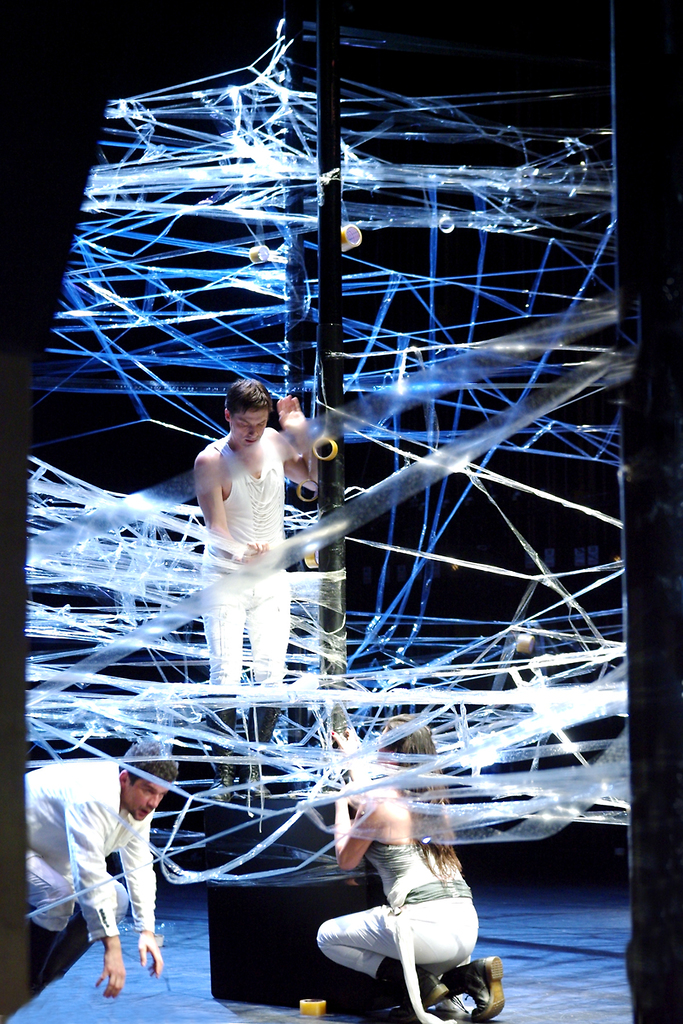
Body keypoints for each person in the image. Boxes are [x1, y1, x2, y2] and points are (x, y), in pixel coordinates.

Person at [317, 715, 505, 1024]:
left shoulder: (380, 805)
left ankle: (419, 984)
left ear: (394, 754)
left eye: (380, 743)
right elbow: (377, 800)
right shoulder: (436, 804)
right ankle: (467, 975)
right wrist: (354, 762)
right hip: (466, 930)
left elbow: (346, 859)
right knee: (421, 948)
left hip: (424, 930)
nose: (374, 748)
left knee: (327, 936)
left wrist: (340, 802)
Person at [194, 378, 316, 794]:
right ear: (228, 416)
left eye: (261, 424)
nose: (252, 432)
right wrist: (246, 552)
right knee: (225, 673)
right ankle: (225, 774)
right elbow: (216, 531)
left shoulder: (275, 443)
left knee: (271, 674)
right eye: (245, 423)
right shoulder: (211, 460)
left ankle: (255, 771)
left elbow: (315, 482)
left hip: (270, 578)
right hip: (225, 579)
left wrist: (299, 430)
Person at [26, 739, 179, 998]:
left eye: (162, 795)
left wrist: (147, 930)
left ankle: (40, 982)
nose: (154, 802)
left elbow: (140, 865)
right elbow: (89, 872)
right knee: (58, 896)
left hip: (50, 850)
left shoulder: (141, 806)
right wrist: (112, 946)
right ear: (124, 779)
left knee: (116, 899)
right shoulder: (93, 795)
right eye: (149, 791)